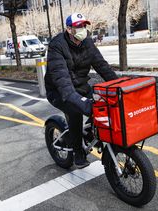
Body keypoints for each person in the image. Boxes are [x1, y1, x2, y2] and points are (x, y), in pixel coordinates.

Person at [45, 13, 118, 169]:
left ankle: (91, 133)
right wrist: (81, 103)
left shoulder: (87, 43)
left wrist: (118, 86)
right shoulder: (56, 46)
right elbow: (62, 80)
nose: (82, 29)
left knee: (103, 104)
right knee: (76, 112)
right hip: (58, 91)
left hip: (81, 86)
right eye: (78, 26)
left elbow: (102, 66)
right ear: (69, 29)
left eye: (84, 26)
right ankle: (78, 153)